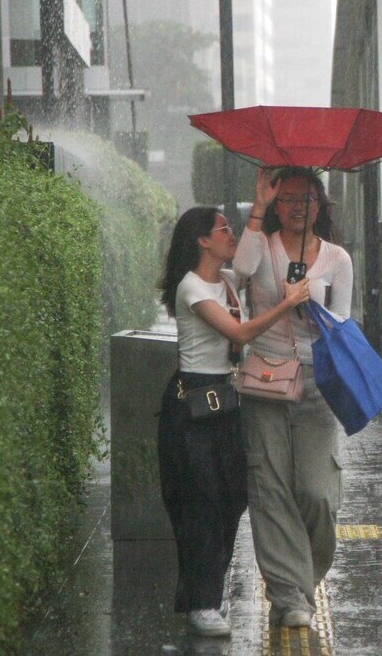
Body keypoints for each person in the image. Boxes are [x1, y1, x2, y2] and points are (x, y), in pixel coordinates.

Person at [157, 206, 310, 637]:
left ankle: (209, 591)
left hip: (224, 401)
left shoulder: (225, 282)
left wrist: (262, 203)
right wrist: (287, 302)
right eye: (224, 229)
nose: (231, 235)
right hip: (192, 407)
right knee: (201, 503)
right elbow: (239, 334)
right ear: (202, 240)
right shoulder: (192, 287)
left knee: (231, 499)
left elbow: (243, 269)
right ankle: (201, 602)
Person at [233, 167, 354, 628]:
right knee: (270, 489)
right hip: (264, 380)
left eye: (307, 200)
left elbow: (342, 324)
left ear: (319, 207)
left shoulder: (338, 259)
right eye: (288, 199)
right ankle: (290, 594)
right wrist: (258, 206)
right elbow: (240, 271)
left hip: (316, 385)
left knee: (316, 494)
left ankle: (303, 577)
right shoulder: (260, 246)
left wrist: (309, 306)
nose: (298, 207)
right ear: (277, 204)